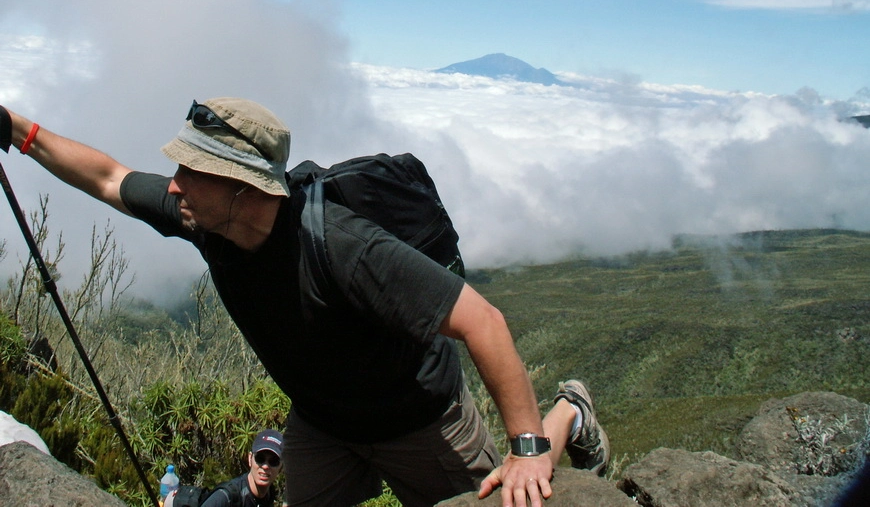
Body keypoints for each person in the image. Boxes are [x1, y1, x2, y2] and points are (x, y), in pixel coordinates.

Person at [0, 100, 609, 507]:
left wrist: (526, 447)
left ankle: (567, 413)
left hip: (419, 418)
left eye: (191, 170)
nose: (176, 184)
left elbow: (484, 321)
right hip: (322, 424)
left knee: (516, 497)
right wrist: (19, 132)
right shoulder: (203, 219)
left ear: (242, 187)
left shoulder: (343, 245)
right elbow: (108, 177)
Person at [164, 429, 284, 507]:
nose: (265, 466)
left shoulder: (268, 495)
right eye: (260, 459)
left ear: (281, 466)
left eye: (273, 461)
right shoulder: (227, 497)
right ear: (250, 459)